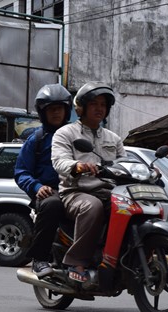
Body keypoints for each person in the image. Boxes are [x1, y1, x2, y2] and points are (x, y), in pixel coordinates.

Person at [51, 82, 126, 283]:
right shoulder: (66, 133)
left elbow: (125, 163)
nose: (99, 108)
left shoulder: (114, 138)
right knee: (92, 207)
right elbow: (59, 161)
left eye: (103, 104)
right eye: (94, 103)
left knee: (132, 208)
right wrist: (78, 166)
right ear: (81, 107)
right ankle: (77, 262)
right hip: (75, 192)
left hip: (109, 192)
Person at [14, 83, 73, 277]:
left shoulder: (76, 135)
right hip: (51, 191)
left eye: (60, 108)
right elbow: (21, 172)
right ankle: (39, 258)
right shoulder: (36, 139)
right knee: (52, 204)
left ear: (67, 110)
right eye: (51, 109)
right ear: (43, 113)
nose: (56, 113)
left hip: (77, 189)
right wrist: (37, 186)